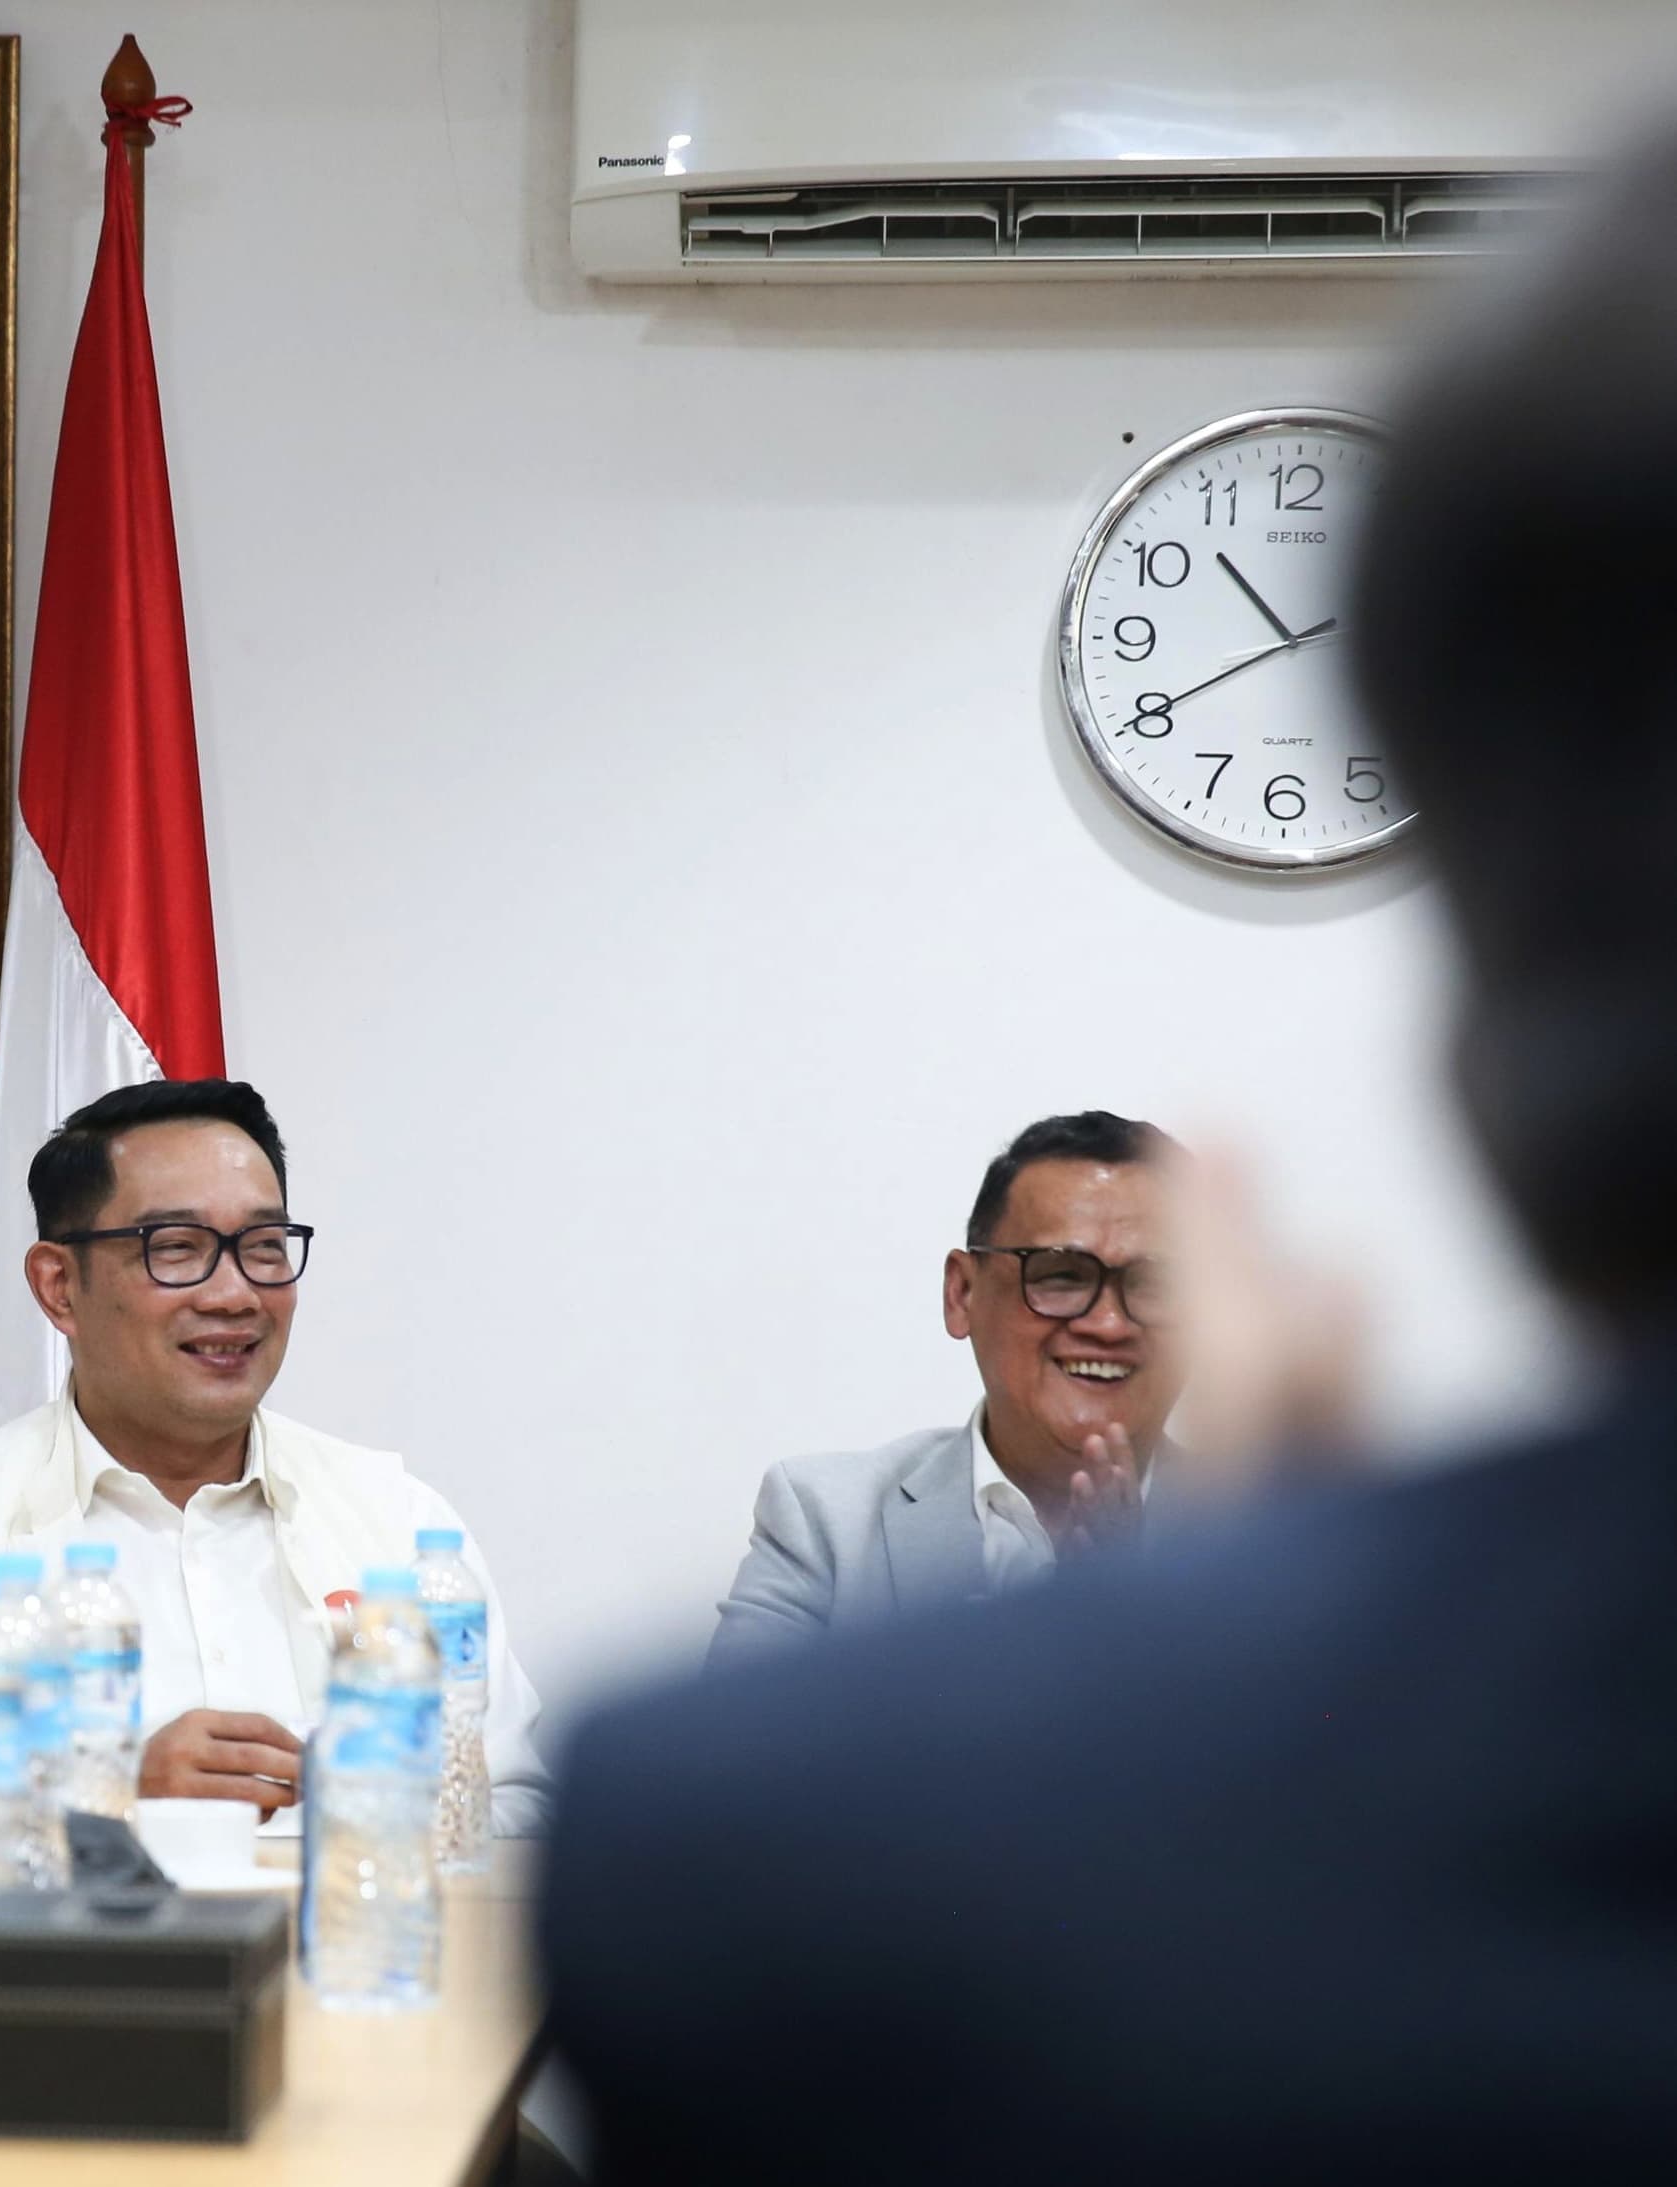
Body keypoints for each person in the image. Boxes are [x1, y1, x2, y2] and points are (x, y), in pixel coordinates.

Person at [535, 130, 1677, 2178]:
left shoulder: (712, 1839)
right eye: (1049, 1274)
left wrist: (1254, 1610)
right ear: (962, 1295)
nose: (1088, 1317)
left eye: (1126, 1279)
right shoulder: (841, 1516)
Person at [0, 1080, 550, 1830]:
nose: (235, 1293)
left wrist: (382, 1822)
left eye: (264, 1247)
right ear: (59, 1286)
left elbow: (518, 1803)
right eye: (176, 1249)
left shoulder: (397, 1523)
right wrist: (111, 1795)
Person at [708, 1110, 1181, 1669]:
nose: (1108, 1325)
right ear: (962, 1294)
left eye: (1156, 1284)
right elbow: (728, 1753)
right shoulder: (827, 1522)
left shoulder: (1271, 1536)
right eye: (1060, 1276)